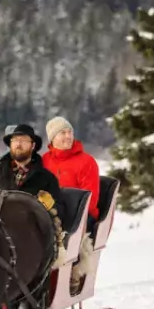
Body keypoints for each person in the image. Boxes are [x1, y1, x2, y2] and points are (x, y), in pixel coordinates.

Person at [0, 123, 66, 267]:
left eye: (24, 140)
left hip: (29, 242)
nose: (18, 144)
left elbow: (59, 211)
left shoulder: (46, 178)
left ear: (33, 145)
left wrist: (47, 207)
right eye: (15, 140)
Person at [40, 116, 101, 294]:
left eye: (70, 132)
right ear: (52, 138)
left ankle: (72, 274)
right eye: (63, 133)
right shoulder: (43, 162)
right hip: (49, 213)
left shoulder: (86, 162)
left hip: (80, 214)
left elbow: (90, 200)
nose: (68, 136)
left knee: (63, 235)